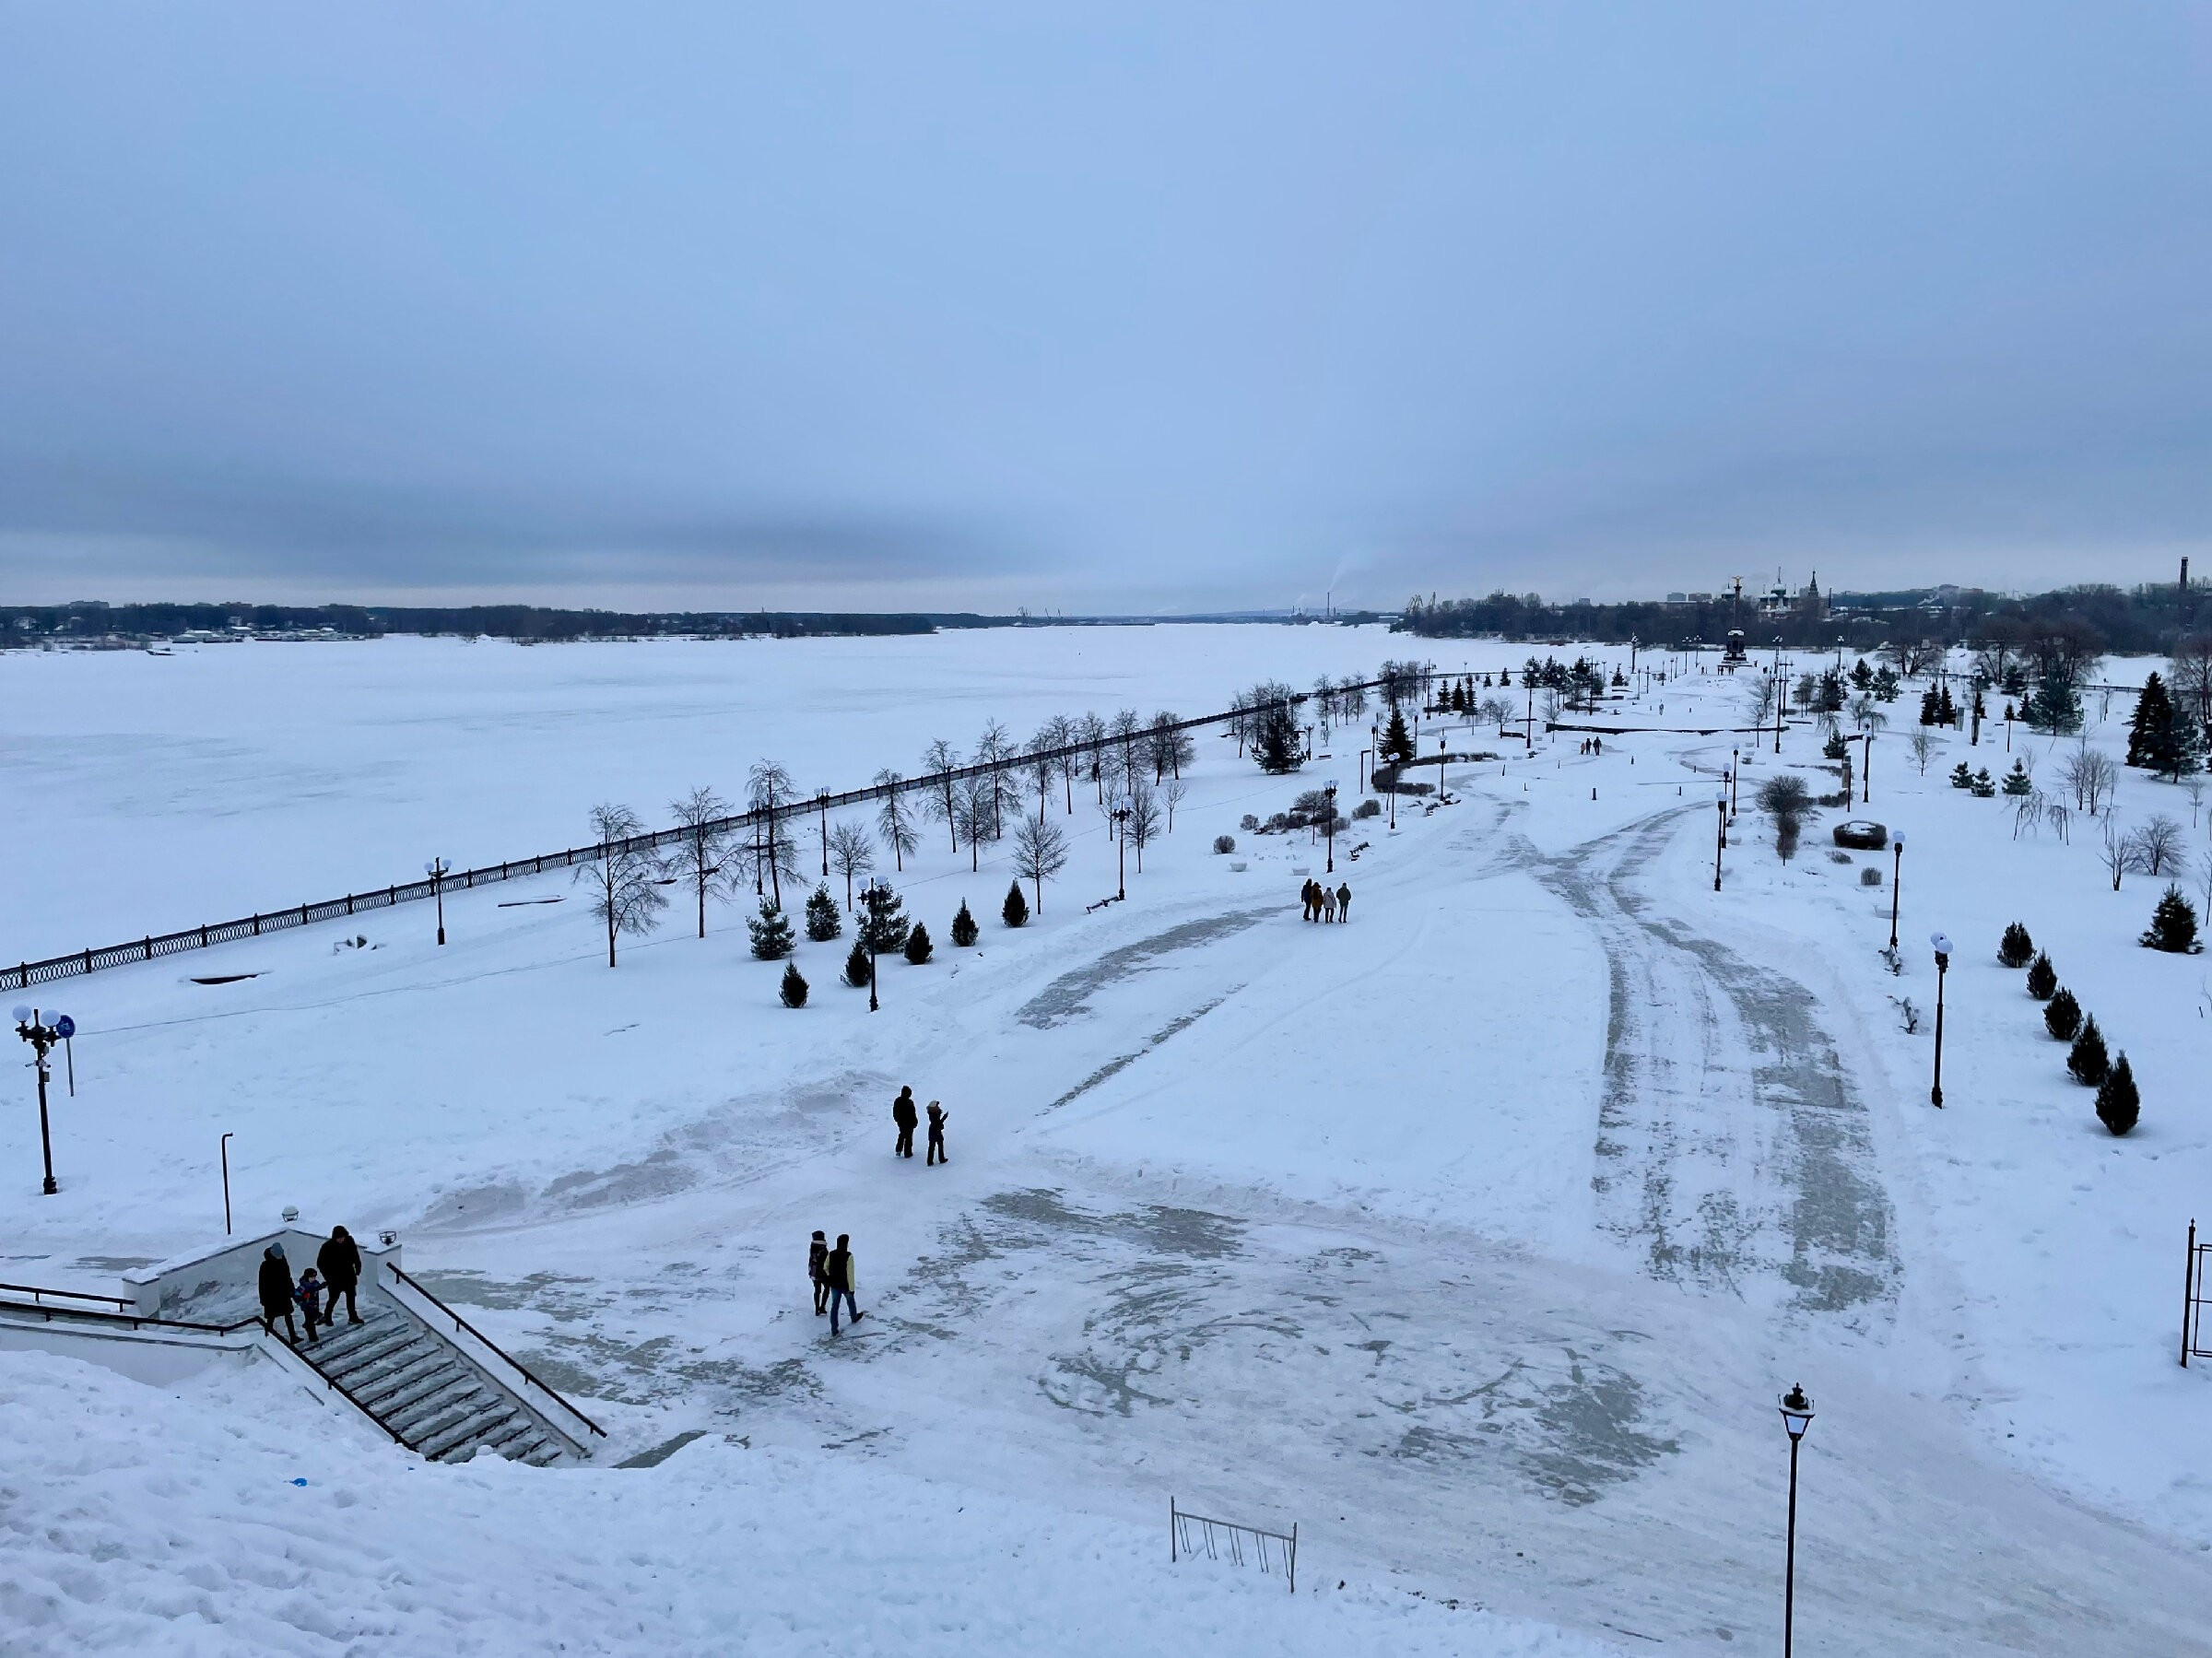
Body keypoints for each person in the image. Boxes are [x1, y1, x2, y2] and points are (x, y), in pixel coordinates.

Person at [317, 1225, 363, 1326]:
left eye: (342, 1237)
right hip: (335, 1278)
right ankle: (327, 1316)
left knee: (351, 1297)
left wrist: (358, 1266)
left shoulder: (349, 1241)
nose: (341, 1240)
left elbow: (355, 1255)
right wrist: (328, 1277)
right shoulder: (327, 1247)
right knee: (333, 1298)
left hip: (348, 1275)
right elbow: (320, 1263)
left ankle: (353, 1316)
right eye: (339, 1238)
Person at [258, 1242, 298, 1343]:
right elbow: (262, 1284)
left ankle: (293, 1337)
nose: (280, 1257)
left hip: (284, 1294)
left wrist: (292, 1291)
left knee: (288, 1316)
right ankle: (267, 1338)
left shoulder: (283, 1261)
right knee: (271, 1319)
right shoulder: (265, 1266)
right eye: (278, 1255)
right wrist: (263, 1299)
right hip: (271, 1297)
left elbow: (288, 1277)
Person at [824, 1233, 863, 1334]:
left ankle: (834, 1329)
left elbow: (825, 1267)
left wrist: (830, 1275)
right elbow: (850, 1273)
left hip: (834, 1285)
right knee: (850, 1302)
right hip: (845, 1285)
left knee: (834, 1306)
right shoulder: (849, 1256)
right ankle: (854, 1318)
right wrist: (852, 1289)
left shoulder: (831, 1254)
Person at [296, 1267, 326, 1344]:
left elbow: (317, 1287)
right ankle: (313, 1337)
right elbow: (296, 1296)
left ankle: (307, 1324)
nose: (313, 1278)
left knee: (312, 1319)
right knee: (311, 1321)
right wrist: (303, 1300)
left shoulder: (315, 1283)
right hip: (307, 1307)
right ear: (307, 1277)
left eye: (314, 1277)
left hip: (315, 1305)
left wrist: (323, 1285)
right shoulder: (303, 1286)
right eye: (311, 1277)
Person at [892, 1087, 919, 1158]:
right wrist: (898, 1121)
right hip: (904, 1123)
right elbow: (895, 1113)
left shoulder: (908, 1102)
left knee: (905, 1136)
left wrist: (915, 1121)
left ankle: (902, 1151)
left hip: (909, 1123)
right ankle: (905, 1152)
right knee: (906, 1136)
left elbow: (913, 1113)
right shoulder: (900, 1101)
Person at [808, 1229, 830, 1315]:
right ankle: (822, 1307)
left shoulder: (813, 1246)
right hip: (823, 1272)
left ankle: (817, 1309)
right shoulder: (823, 1248)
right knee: (827, 1288)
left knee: (817, 1290)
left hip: (814, 1272)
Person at [925, 1100, 948, 1166]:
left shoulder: (932, 1113)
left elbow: (937, 1123)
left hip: (932, 1131)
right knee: (939, 1145)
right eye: (937, 1105)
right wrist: (944, 1118)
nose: (938, 1106)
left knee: (932, 1146)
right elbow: (938, 1123)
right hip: (936, 1131)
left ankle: (930, 1161)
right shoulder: (934, 1114)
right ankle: (941, 1159)